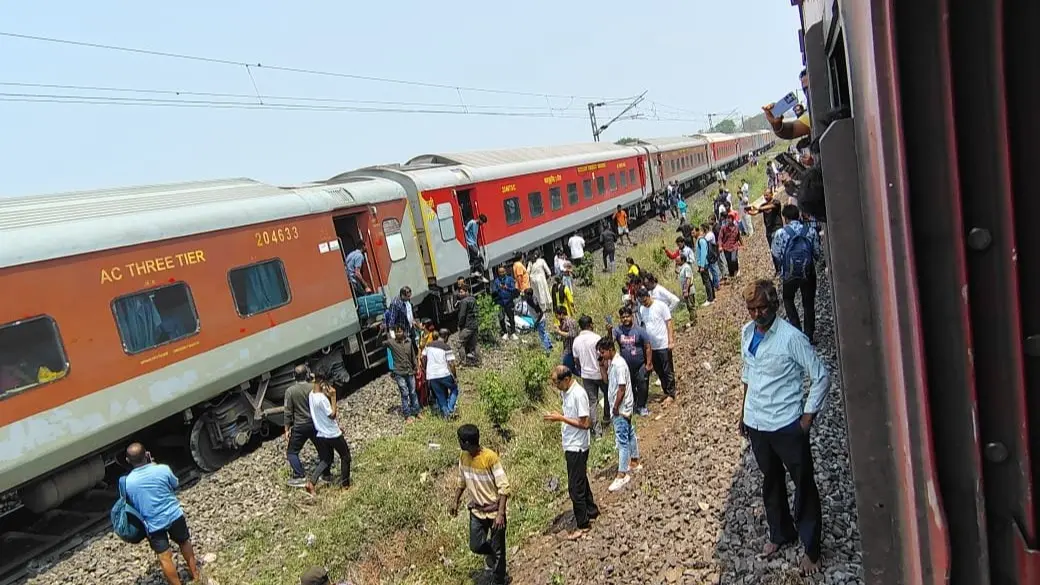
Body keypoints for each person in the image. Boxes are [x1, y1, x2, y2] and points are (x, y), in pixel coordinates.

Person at [739, 279, 829, 576]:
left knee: (803, 484)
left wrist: (806, 419)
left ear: (775, 305)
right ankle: (781, 533)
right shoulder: (747, 333)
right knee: (771, 481)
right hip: (758, 425)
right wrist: (743, 413)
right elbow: (748, 375)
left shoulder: (791, 338)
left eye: (762, 308)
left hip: (786, 424)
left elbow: (820, 376)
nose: (756, 314)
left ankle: (812, 549)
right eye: (752, 309)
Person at [123, 443, 200, 585]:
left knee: (165, 556)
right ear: (147, 454)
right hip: (174, 515)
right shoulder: (163, 469)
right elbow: (175, 484)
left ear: (128, 461)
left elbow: (133, 503)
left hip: (153, 524)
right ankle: (196, 575)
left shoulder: (128, 482)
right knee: (184, 542)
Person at [450, 424, 510, 585]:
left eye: (460, 441)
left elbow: (504, 487)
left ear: (467, 443)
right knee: (476, 546)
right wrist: (455, 500)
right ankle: (495, 554)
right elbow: (461, 482)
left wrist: (500, 514)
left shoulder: (490, 458)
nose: (460, 444)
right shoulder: (464, 457)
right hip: (477, 511)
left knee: (498, 551)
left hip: (494, 511)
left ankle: (499, 580)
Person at [544, 366, 598, 539]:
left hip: (578, 445)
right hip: (570, 443)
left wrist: (560, 418)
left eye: (556, 382)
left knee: (575, 487)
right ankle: (591, 510)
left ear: (566, 379)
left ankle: (583, 523)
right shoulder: (566, 392)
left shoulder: (578, 394)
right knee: (581, 478)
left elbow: (585, 423)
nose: (555, 386)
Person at [771, 204, 821, 344]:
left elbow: (775, 253)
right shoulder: (810, 231)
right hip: (808, 272)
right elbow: (817, 252)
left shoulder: (780, 233)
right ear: (798, 216)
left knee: (788, 299)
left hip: (789, 273)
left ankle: (797, 331)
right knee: (808, 302)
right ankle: (809, 334)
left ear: (785, 218)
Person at [597, 338, 641, 492]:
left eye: (602, 352)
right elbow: (606, 381)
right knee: (629, 433)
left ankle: (622, 474)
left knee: (621, 440)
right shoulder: (612, 364)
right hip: (623, 407)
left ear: (609, 349)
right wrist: (602, 365)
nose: (601, 355)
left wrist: (615, 407)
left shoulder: (619, 364)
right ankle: (634, 461)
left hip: (621, 408)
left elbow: (621, 388)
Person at [636, 287, 676, 405]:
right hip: (652, 346)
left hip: (663, 343)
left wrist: (671, 340)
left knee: (667, 369)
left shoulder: (660, 306)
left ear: (648, 296)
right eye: (642, 302)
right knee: (658, 370)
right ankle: (666, 391)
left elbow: (669, 323)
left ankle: (671, 393)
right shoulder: (642, 309)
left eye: (645, 301)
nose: (644, 303)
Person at [284, 365, 322, 487]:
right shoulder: (313, 387)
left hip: (300, 426)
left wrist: (286, 429)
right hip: (314, 424)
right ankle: (325, 472)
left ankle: (299, 475)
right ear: (307, 374)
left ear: (294, 377)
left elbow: (288, 412)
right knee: (322, 449)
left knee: (292, 452)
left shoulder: (290, 391)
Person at [571, 315, 608, 437]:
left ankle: (597, 432)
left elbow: (576, 360)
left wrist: (581, 370)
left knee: (592, 403)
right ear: (590, 325)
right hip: (599, 373)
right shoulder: (596, 338)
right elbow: (603, 355)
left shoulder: (576, 341)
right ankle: (607, 418)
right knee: (608, 395)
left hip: (586, 375)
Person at [612, 306, 652, 417]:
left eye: (627, 316)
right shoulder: (617, 330)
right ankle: (634, 405)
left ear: (632, 316)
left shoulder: (639, 330)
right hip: (625, 366)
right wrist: (608, 331)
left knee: (642, 385)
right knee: (631, 386)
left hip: (640, 364)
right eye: (623, 317)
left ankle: (642, 406)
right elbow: (610, 342)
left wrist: (649, 363)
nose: (625, 319)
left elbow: (648, 346)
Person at [763, 68, 812, 141]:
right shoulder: (811, 116)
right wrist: (776, 124)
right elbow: (791, 130)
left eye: (810, 87)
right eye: (805, 89)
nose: (807, 93)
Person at [386, 324, 420, 420]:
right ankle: (407, 415)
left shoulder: (409, 342)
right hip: (399, 373)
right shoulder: (391, 343)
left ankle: (417, 411)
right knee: (405, 393)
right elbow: (378, 343)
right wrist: (381, 331)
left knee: (413, 392)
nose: (398, 333)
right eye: (396, 332)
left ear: (404, 332)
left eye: (400, 331)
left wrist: (416, 367)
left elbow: (413, 356)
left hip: (409, 371)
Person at [423, 329, 459, 417]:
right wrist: (455, 376)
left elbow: (423, 358)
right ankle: (450, 408)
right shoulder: (446, 347)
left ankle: (446, 415)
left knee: (440, 396)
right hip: (443, 374)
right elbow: (451, 364)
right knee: (455, 389)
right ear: (446, 337)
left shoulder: (428, 345)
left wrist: (426, 370)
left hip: (431, 375)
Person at [492, 265, 519, 341]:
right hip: (500, 302)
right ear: (498, 273)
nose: (502, 273)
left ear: (505, 271)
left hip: (509, 301)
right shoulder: (496, 281)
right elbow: (493, 292)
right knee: (501, 318)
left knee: (511, 317)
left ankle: (513, 332)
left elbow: (514, 289)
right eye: (500, 272)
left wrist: (507, 288)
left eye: (503, 272)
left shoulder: (509, 279)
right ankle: (505, 332)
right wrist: (499, 288)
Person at [694, 225, 716, 305]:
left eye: (693, 232)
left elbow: (703, 253)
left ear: (697, 231)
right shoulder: (699, 240)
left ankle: (710, 299)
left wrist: (702, 266)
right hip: (703, 264)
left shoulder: (701, 241)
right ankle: (713, 297)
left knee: (706, 281)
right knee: (708, 280)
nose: (692, 234)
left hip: (704, 264)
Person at [554, 305, 579, 374]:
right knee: (570, 369)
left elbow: (572, 334)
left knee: (567, 370)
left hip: (571, 350)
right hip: (567, 349)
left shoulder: (569, 322)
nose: (556, 317)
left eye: (557, 315)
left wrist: (559, 332)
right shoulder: (563, 322)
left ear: (561, 314)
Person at [720, 211, 743, 278]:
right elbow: (720, 238)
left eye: (731, 218)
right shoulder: (723, 228)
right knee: (729, 261)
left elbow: (739, 237)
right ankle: (731, 274)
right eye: (728, 218)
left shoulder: (736, 228)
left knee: (733, 259)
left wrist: (742, 244)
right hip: (726, 247)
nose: (729, 220)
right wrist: (720, 246)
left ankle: (736, 271)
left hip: (734, 247)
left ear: (733, 219)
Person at [701, 222, 721, 291]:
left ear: (705, 229)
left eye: (702, 229)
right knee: (713, 271)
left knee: (714, 270)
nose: (701, 231)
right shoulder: (708, 234)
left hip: (712, 255)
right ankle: (716, 284)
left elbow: (704, 242)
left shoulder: (709, 235)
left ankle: (717, 285)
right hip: (710, 256)